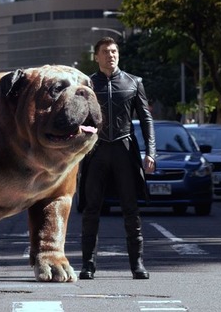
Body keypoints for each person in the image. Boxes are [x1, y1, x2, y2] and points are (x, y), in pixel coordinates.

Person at [78, 36, 156, 280]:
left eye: (114, 51)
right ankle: (88, 265)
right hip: (96, 149)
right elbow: (77, 118)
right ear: (97, 56)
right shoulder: (86, 84)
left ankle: (137, 265)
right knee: (91, 209)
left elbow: (146, 119)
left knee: (131, 209)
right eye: (105, 51)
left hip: (124, 149)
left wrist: (151, 152)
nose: (110, 55)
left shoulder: (134, 82)